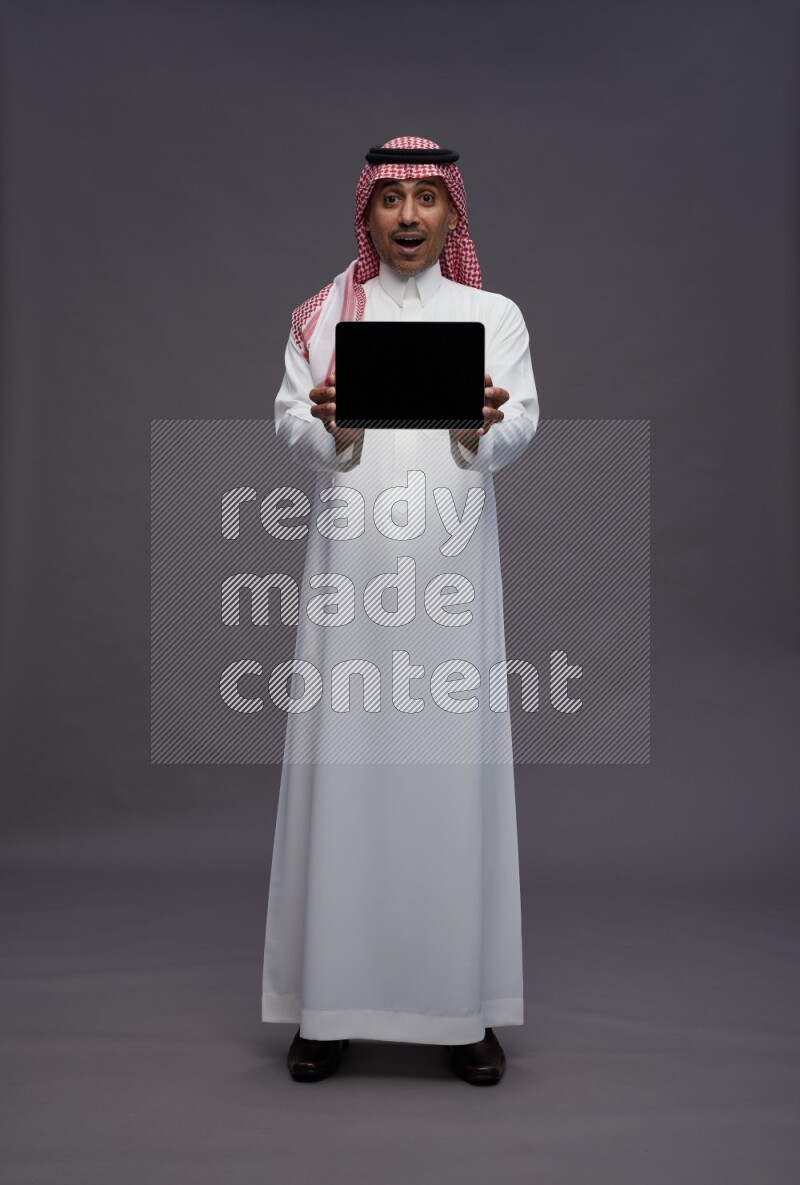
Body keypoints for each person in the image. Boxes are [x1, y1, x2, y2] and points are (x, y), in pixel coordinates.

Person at [261, 135, 540, 1085]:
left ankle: (460, 1010)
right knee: (344, 778)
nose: (410, 217)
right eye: (393, 200)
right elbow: (291, 421)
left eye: (429, 200)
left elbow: (523, 419)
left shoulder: (490, 314)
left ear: (453, 216)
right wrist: (331, 429)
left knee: (451, 783)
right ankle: (326, 1007)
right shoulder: (323, 315)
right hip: (352, 587)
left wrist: (478, 429)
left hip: (454, 591)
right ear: (368, 212)